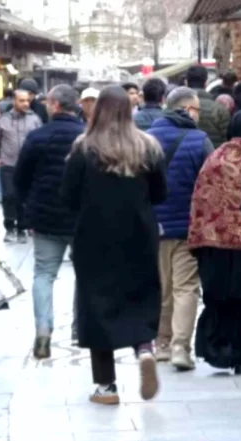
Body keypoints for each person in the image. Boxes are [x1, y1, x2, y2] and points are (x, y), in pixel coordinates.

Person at [61, 85, 166, 405]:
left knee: (97, 304)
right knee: (140, 293)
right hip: (139, 234)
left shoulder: (83, 148)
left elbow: (67, 197)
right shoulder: (148, 146)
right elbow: (161, 193)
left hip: (94, 237)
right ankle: (144, 349)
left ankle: (106, 387)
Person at [188, 110, 241, 375]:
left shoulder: (216, 159)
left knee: (222, 299)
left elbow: (201, 199)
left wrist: (199, 239)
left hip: (218, 245)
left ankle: (222, 351)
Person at [15, 84, 84, 359]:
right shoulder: (86, 136)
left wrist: (29, 209)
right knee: (85, 275)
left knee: (44, 274)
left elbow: (20, 179)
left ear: (54, 105)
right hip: (80, 219)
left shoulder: (37, 136)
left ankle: (43, 331)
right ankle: (81, 328)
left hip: (45, 218)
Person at [147, 87, 214, 368]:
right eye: (197, 110)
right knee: (186, 287)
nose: (199, 115)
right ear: (187, 110)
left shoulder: (147, 139)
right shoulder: (200, 141)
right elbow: (212, 183)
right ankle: (180, 348)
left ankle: (161, 344)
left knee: (162, 287)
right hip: (189, 226)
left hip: (155, 226)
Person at [0, 89, 42, 243]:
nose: (26, 103)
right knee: (8, 196)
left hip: (28, 166)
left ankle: (22, 227)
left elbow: (41, 139)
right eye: (21, 100)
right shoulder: (3, 120)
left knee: (23, 197)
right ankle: (9, 227)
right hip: (8, 163)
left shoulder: (35, 119)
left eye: (27, 100)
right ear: (14, 101)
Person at [185, 65, 230, 148]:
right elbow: (227, 140)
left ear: (186, 83)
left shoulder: (177, 108)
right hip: (213, 157)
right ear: (205, 83)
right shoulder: (219, 109)